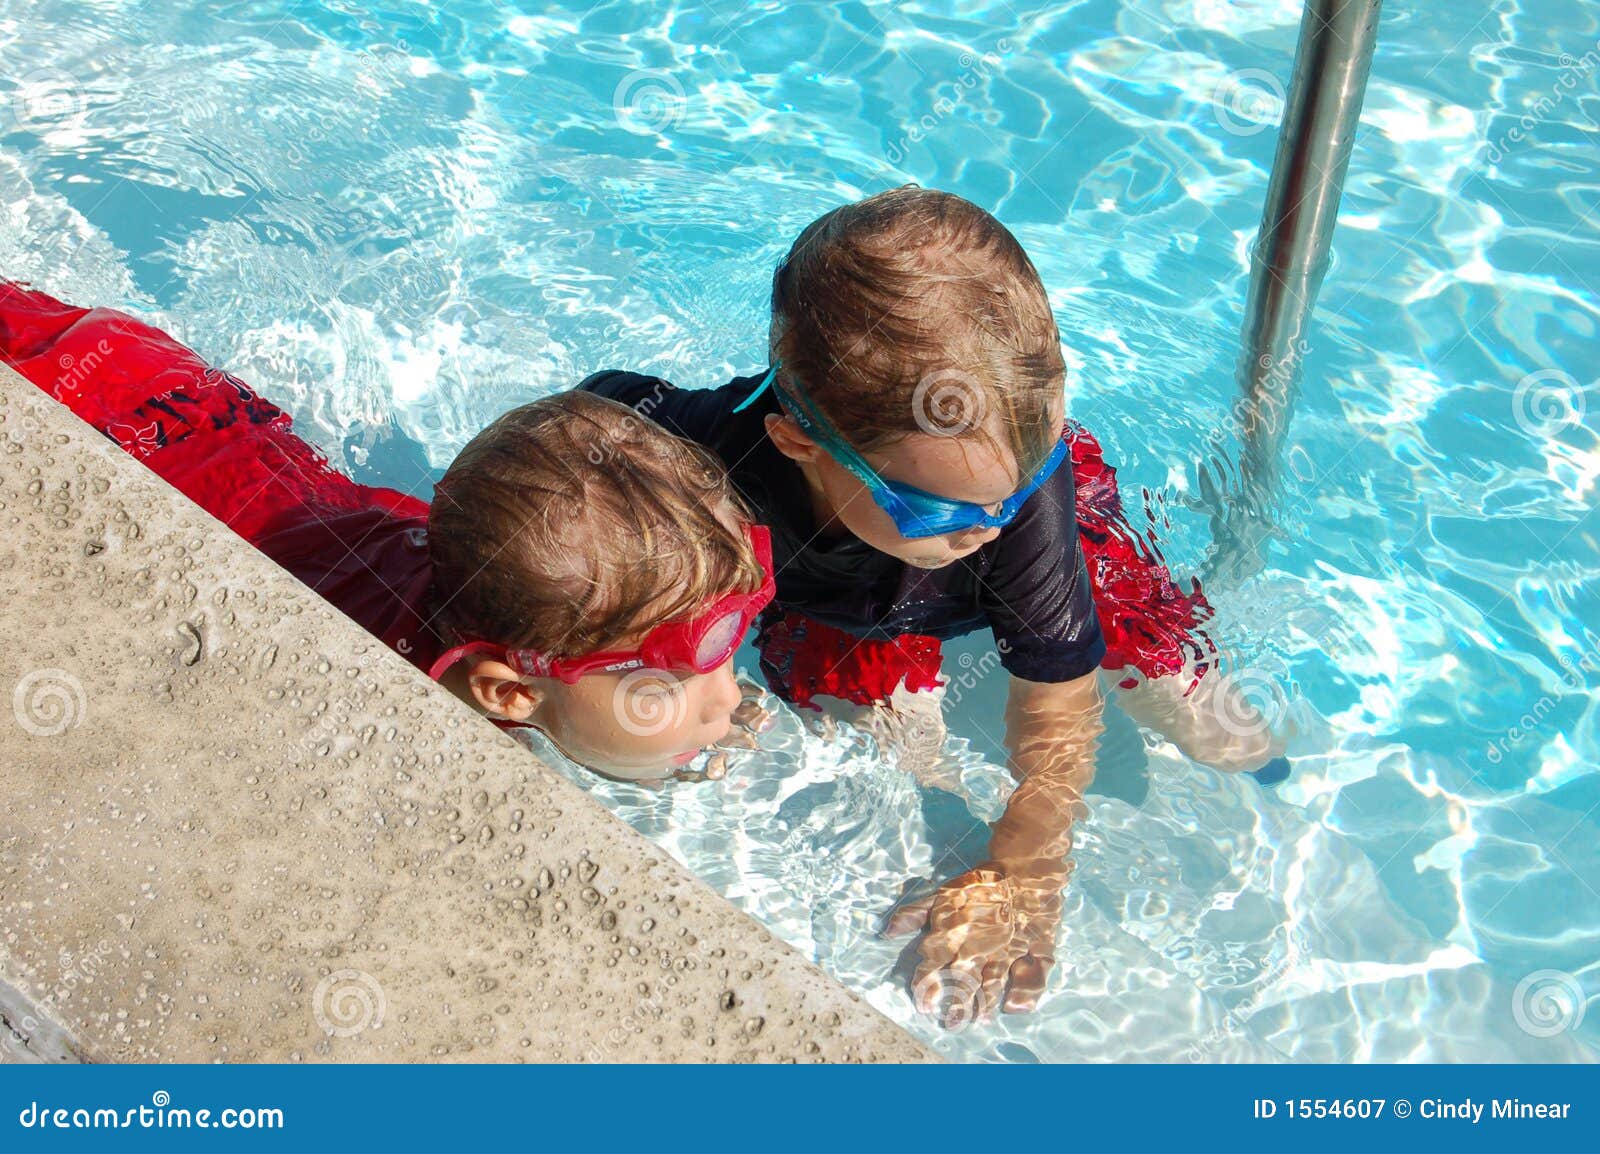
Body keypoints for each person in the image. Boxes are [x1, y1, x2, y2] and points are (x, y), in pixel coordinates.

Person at [583, 186, 1287, 1023]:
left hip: (1053, 564)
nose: (987, 528)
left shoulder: (1017, 498)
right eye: (944, 511)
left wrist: (1029, 867)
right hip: (842, 608)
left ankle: (1272, 775)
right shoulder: (706, 460)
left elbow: (1055, 686)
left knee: (1197, 710)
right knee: (891, 748)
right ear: (799, 443)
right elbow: (591, 426)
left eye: (1018, 480)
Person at [1, 280, 773, 781]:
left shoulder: (512, 573)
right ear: (505, 694)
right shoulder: (381, 698)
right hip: (91, 410)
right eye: (665, 683)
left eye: (724, 652)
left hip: (161, 390)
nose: (726, 694)